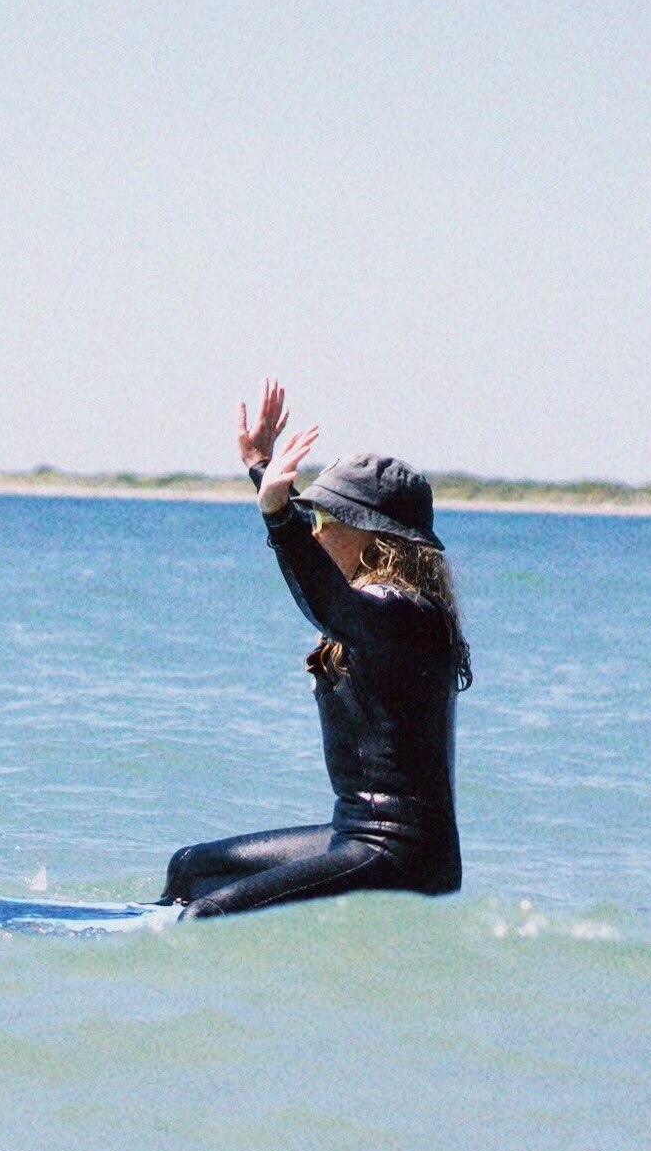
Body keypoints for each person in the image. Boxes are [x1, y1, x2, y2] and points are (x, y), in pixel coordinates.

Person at [162, 380, 471, 919]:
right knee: (190, 868)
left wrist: (278, 518)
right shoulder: (384, 603)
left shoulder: (403, 611)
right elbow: (316, 564)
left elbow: (329, 602)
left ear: (373, 535)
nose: (316, 531)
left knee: (206, 912)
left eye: (325, 520)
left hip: (398, 855)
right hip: (351, 832)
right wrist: (261, 466)